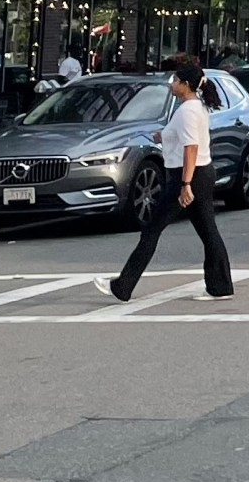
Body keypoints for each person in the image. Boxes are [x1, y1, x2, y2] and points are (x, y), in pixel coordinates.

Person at [95, 60, 234, 303]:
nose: (172, 83)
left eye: (176, 80)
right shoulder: (193, 107)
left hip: (188, 175)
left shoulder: (188, 111)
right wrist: (164, 135)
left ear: (186, 84)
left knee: (152, 230)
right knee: (208, 231)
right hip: (199, 173)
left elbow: (191, 148)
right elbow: (185, 139)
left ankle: (122, 286)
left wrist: (185, 185)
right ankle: (220, 286)